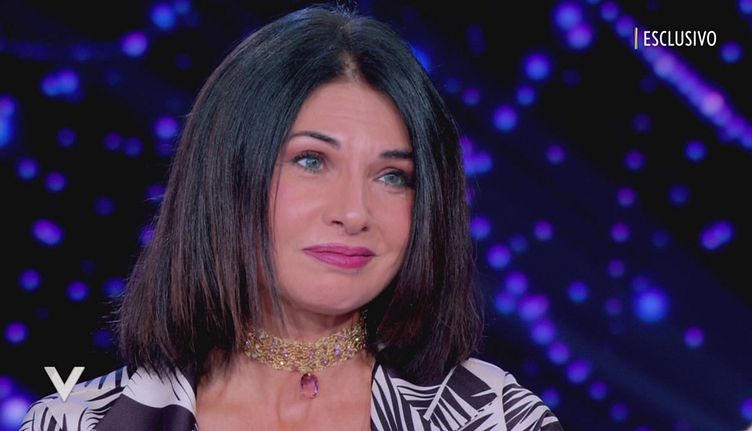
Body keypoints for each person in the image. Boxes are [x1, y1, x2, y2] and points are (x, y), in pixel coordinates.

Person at [21, 4, 563, 431]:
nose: (354, 213)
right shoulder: (76, 421)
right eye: (311, 161)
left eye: (393, 176)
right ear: (226, 173)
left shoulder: (494, 417)